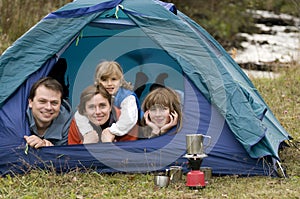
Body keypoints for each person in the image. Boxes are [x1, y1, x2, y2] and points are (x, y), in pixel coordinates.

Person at [74, 61, 141, 142]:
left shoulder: (127, 97)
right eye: (104, 80)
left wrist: (112, 131)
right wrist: (88, 132)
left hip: (135, 133)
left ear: (120, 81)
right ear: (97, 82)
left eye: (114, 79)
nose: (109, 83)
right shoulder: (94, 94)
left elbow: (129, 120)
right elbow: (80, 114)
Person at [24, 77, 73, 148]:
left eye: (54, 103)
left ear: (60, 104)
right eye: (42, 101)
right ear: (31, 102)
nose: (48, 107)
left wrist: (49, 148)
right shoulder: (19, 117)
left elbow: (65, 155)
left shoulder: (68, 123)